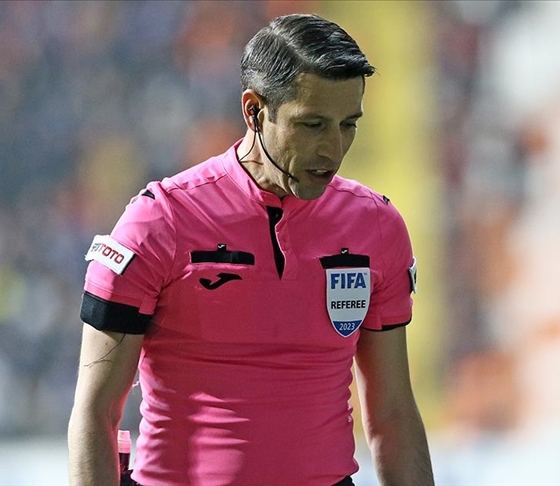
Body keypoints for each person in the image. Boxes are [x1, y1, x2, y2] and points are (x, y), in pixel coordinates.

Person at [67, 13, 434, 486]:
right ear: (254, 111)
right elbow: (95, 413)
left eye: (348, 124)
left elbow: (393, 414)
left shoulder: (377, 227)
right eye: (312, 124)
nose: (333, 148)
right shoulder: (159, 221)